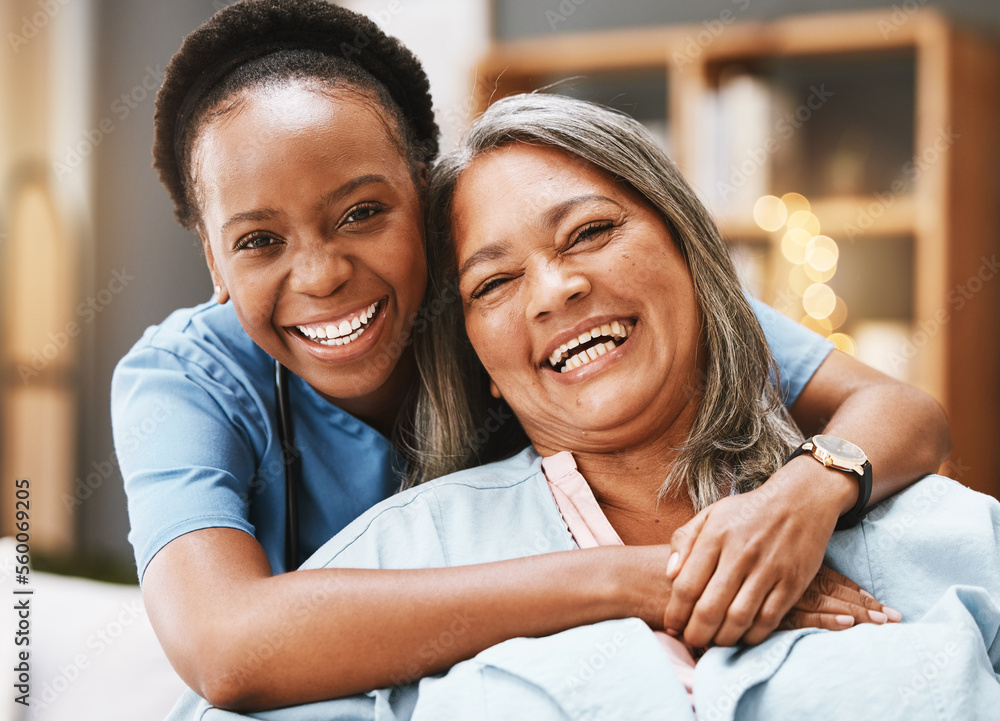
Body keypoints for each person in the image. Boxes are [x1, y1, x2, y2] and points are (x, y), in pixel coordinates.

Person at [114, 0, 949, 711]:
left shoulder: (531, 289)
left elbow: (899, 410)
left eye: (362, 213)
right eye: (258, 240)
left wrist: (800, 498)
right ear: (213, 262)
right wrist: (645, 580)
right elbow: (225, 645)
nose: (324, 273)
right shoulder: (185, 381)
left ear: (425, 194)